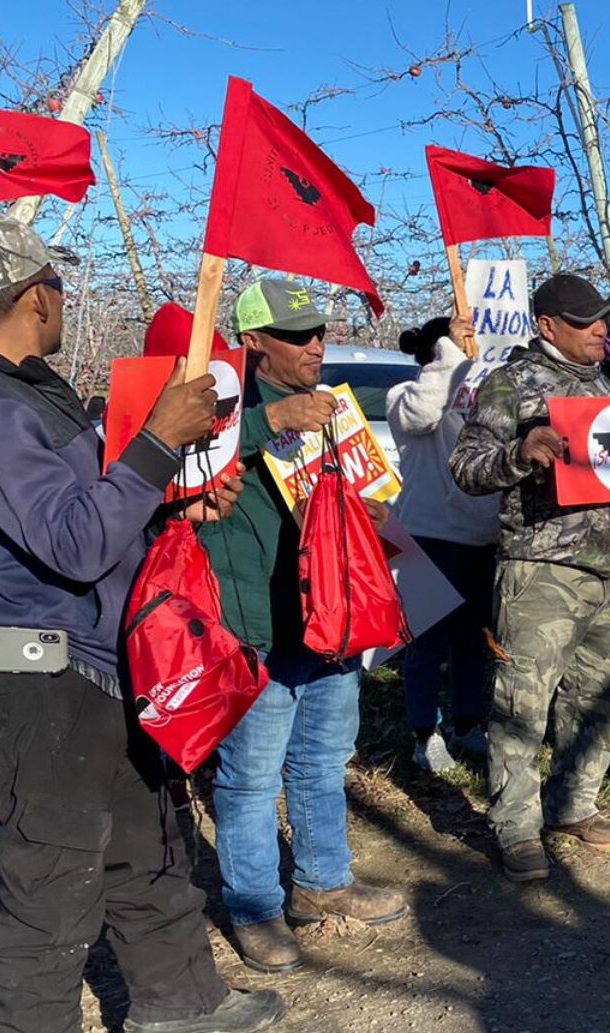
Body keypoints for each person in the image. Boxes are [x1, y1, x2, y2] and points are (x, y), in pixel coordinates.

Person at [0, 218, 282, 1033]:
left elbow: (89, 511)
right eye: (58, 284)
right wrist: (157, 441)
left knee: (149, 841)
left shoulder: (21, 385)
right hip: (35, 672)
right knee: (53, 875)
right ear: (36, 294)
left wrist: (167, 503)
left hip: (97, 658)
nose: (64, 297)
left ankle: (178, 1003)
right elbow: (71, 543)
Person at [202, 278, 410, 974]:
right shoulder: (219, 403)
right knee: (251, 776)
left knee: (323, 760)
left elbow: (355, 497)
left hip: (333, 617)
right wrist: (271, 421)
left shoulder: (335, 413)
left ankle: (324, 885)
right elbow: (186, 473)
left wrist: (371, 512)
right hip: (256, 623)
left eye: (319, 332)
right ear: (253, 342)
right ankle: (256, 907)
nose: (315, 344)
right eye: (298, 334)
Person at [450, 274, 610, 880]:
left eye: (602, 321)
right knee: (522, 703)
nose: (600, 332)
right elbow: (466, 468)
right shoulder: (512, 382)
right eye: (585, 323)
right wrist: (517, 453)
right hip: (541, 568)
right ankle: (516, 827)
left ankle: (573, 806)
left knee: (596, 698)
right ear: (547, 326)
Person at [387, 314, 500, 774]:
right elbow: (423, 412)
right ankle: (424, 734)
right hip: (429, 535)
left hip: (481, 536)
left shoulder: (482, 395)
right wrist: (450, 355)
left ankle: (467, 724)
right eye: (455, 347)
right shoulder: (405, 397)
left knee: (474, 641)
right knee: (427, 645)